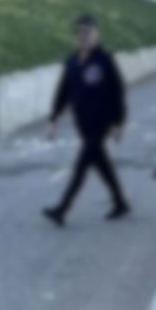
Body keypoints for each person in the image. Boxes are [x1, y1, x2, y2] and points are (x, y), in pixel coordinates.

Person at [44, 14, 130, 227]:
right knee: (101, 164)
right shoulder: (72, 61)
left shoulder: (104, 60)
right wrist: (53, 119)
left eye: (88, 32)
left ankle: (62, 209)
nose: (84, 36)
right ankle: (120, 203)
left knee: (81, 166)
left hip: (101, 123)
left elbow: (117, 91)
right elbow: (63, 91)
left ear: (96, 34)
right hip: (82, 123)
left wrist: (118, 122)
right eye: (81, 32)